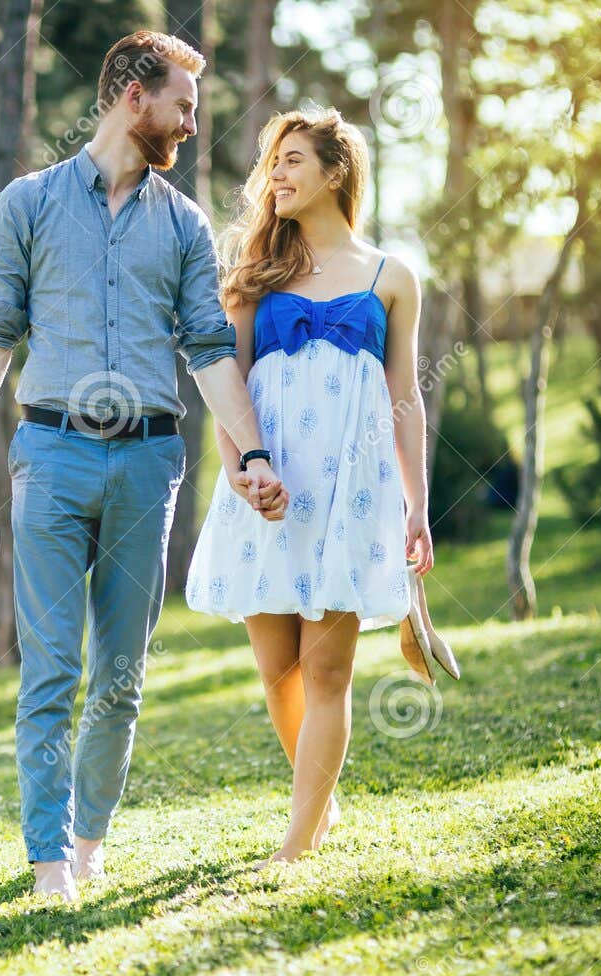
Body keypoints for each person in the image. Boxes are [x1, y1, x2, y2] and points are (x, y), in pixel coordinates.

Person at [0, 31, 283, 901]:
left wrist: (253, 453)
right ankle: (47, 863)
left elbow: (208, 350)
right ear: (134, 96)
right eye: (183, 105)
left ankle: (89, 843)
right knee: (51, 669)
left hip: (148, 465)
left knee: (120, 677)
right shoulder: (29, 204)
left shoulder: (185, 225)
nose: (192, 125)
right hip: (47, 456)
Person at [186, 109, 434, 864]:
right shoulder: (255, 270)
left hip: (350, 497)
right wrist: (239, 467)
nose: (277, 175)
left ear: (336, 172)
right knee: (278, 671)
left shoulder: (393, 277)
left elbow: (406, 395)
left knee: (327, 670)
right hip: (269, 487)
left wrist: (416, 502)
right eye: (272, 163)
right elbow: (224, 378)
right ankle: (319, 801)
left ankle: (297, 840)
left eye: (293, 159)